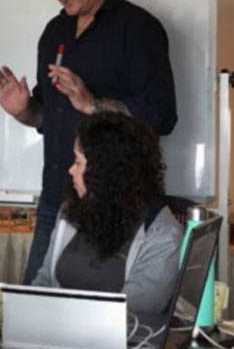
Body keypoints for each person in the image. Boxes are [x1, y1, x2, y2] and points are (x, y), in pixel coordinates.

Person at [0, 0, 177, 283]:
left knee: (112, 319)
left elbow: (163, 115)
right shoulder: (54, 31)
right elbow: (48, 116)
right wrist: (24, 111)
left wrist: (93, 103)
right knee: (34, 308)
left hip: (116, 205)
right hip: (56, 200)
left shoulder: (139, 29)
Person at [32, 112, 182, 325]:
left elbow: (139, 309)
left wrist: (62, 318)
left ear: (104, 172)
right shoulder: (69, 212)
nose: (70, 170)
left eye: (78, 162)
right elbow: (44, 280)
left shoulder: (163, 234)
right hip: (55, 334)